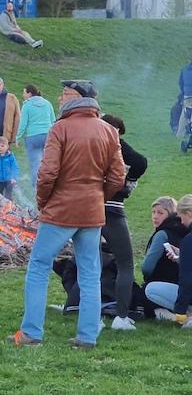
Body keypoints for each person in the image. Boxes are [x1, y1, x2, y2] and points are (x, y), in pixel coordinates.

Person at [10, 79, 125, 349]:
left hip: (61, 211)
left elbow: (47, 173)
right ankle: (87, 337)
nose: (60, 98)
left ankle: (31, 333)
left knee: (39, 266)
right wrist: (98, 197)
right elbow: (118, 176)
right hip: (91, 213)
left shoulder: (60, 128)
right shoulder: (109, 131)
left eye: (64, 94)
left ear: (76, 97)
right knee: (90, 273)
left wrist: (44, 202)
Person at [99, 114, 148, 331]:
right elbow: (140, 162)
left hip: (86, 207)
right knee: (125, 264)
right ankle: (120, 318)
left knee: (89, 264)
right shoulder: (115, 145)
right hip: (112, 209)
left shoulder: (88, 144)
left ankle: (88, 314)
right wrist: (129, 183)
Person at [142, 196, 190, 319]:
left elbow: (147, 268)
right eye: (153, 212)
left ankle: (180, 315)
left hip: (174, 288)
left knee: (147, 291)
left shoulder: (163, 234)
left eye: (160, 213)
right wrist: (181, 257)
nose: (155, 216)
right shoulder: (185, 232)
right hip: (181, 287)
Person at [16, 84, 56, 190]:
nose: (23, 95)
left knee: (35, 163)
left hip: (32, 137)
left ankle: (36, 187)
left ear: (29, 93)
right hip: (48, 136)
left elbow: (23, 124)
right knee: (47, 162)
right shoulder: (47, 103)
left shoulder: (27, 105)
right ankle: (50, 184)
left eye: (24, 93)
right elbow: (53, 121)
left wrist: (18, 137)